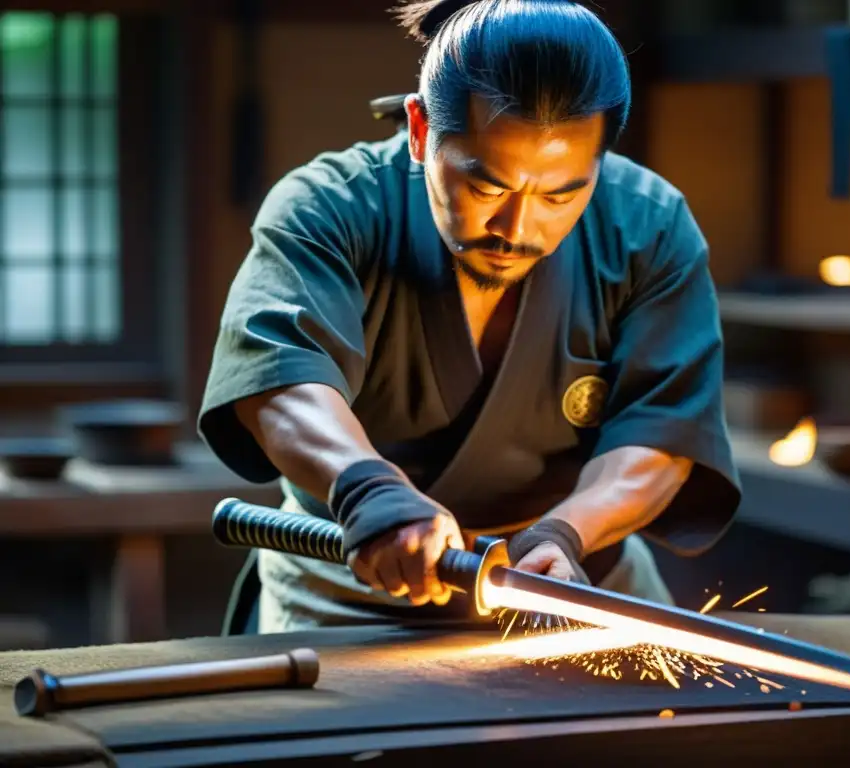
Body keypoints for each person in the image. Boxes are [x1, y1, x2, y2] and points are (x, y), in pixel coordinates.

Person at [199, 0, 741, 634]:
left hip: (567, 583)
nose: (517, 228)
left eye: (561, 194)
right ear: (421, 130)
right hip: (345, 584)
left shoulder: (649, 224)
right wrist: (370, 490)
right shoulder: (329, 208)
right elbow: (279, 382)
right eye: (487, 188)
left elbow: (664, 433)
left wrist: (566, 533)